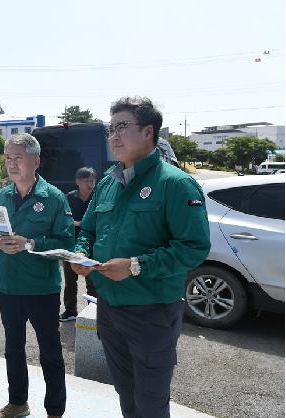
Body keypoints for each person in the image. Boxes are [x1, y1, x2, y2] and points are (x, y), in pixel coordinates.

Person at [71, 97, 210, 418]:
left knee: (151, 402)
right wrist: (80, 253)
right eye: (110, 129)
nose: (114, 136)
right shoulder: (107, 183)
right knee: (125, 393)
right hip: (108, 308)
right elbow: (88, 231)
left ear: (149, 132)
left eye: (122, 127)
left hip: (152, 313)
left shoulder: (175, 184)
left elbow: (194, 247)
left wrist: (136, 266)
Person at [0, 133, 74, 418]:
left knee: (50, 352)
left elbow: (67, 244)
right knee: (13, 348)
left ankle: (55, 411)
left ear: (36, 161)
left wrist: (31, 243)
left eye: (18, 158)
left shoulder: (54, 198)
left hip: (41, 289)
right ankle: (18, 402)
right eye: (8, 158)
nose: (11, 163)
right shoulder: (0, 196)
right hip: (8, 287)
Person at [59, 167, 97, 322]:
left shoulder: (98, 196)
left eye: (92, 180)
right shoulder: (69, 198)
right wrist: (79, 223)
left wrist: (82, 223)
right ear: (77, 182)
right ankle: (70, 310)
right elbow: (63, 220)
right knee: (70, 280)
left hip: (92, 244)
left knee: (92, 281)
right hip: (71, 244)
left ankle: (93, 310)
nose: (90, 184)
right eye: (86, 180)